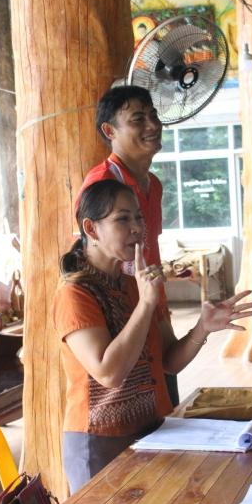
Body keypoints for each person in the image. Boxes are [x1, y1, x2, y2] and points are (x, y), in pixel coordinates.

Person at [54, 180, 252, 493]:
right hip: (98, 440)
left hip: (152, 430)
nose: (137, 228)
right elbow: (109, 373)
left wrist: (202, 327)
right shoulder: (75, 294)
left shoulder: (136, 285)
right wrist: (146, 303)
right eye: (123, 219)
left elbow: (169, 362)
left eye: (139, 217)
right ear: (91, 229)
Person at [73, 85, 183, 404]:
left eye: (153, 115)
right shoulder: (101, 185)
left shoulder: (153, 184)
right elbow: (88, 260)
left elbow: (148, 250)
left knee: (165, 402)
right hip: (120, 317)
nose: (152, 125)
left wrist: (156, 305)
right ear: (110, 131)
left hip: (151, 303)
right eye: (138, 119)